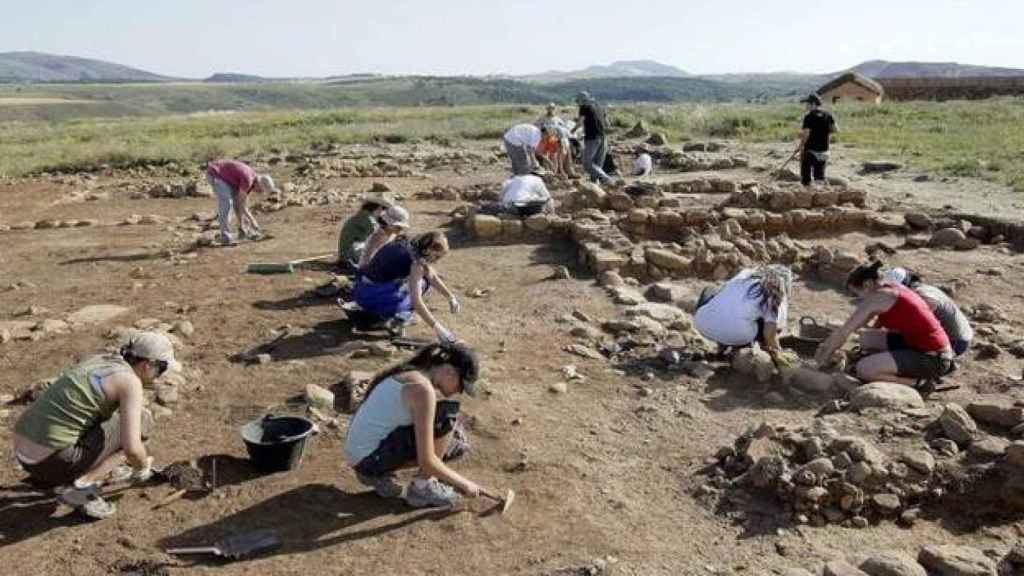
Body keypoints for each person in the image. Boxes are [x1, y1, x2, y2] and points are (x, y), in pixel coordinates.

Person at [12, 332, 178, 519]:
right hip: (52, 462)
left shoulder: (102, 360)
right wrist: (141, 468)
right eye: (161, 369)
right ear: (148, 365)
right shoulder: (129, 382)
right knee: (142, 423)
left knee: (114, 419)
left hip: (24, 454)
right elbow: (132, 448)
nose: (160, 376)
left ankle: (93, 470)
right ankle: (81, 488)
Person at [344, 342, 481, 508]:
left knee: (455, 442)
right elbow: (427, 461)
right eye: (461, 386)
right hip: (368, 460)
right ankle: (422, 488)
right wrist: (464, 484)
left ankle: (377, 474)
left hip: (360, 455)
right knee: (447, 417)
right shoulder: (422, 390)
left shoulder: (411, 373)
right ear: (450, 371)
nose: (459, 392)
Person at [815, 261, 955, 392]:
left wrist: (821, 360)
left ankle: (919, 383)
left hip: (933, 358)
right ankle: (889, 364)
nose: (857, 298)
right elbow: (857, 327)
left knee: (864, 370)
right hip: (923, 345)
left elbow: (844, 332)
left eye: (856, 293)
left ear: (867, 284)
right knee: (866, 338)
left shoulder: (879, 297)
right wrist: (834, 342)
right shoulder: (890, 288)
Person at [353, 231, 461, 342]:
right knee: (422, 283)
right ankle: (400, 317)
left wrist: (450, 297)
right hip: (370, 297)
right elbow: (417, 301)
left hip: (360, 289)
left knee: (420, 279)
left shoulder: (410, 243)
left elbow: (431, 275)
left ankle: (384, 311)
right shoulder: (417, 264)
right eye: (437, 257)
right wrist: (439, 329)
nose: (437, 261)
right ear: (428, 250)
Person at [694, 265, 793, 363]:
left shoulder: (745, 274)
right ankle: (740, 348)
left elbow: (725, 299)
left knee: (711, 291)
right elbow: (770, 334)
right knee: (770, 324)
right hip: (738, 335)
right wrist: (780, 355)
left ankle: (721, 347)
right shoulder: (776, 292)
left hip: (702, 324)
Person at [885, 267, 973, 357]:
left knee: (895, 347)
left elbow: (915, 327)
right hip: (960, 335)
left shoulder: (922, 297)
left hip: (956, 342)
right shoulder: (923, 288)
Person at [206, 159, 280, 245]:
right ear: (258, 184)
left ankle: (241, 229)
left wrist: (243, 224)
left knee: (235, 202)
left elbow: (241, 204)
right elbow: (241, 204)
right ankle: (225, 236)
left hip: (227, 179)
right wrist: (252, 221)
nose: (260, 192)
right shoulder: (248, 180)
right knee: (227, 204)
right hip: (215, 173)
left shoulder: (251, 182)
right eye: (261, 190)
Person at [793, 94, 837, 187]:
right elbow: (835, 130)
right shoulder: (828, 115)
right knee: (819, 176)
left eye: (807, 103)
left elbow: (806, 135)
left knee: (806, 176)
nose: (806, 106)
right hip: (824, 151)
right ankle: (820, 194)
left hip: (811, 151)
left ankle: (806, 192)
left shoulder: (808, 117)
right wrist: (823, 132)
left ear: (813, 104)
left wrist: (799, 147)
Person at [337, 197, 390, 271]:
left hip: (348, 252)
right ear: (379, 208)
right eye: (384, 209)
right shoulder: (367, 219)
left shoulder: (364, 215)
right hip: (350, 254)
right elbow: (380, 237)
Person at [574, 91, 614, 186]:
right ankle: (595, 184)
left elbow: (580, 123)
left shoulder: (584, 107)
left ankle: (606, 178)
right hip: (603, 137)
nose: (578, 103)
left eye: (578, 101)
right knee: (597, 163)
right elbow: (608, 123)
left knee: (587, 163)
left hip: (592, 138)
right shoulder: (599, 106)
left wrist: (571, 131)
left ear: (582, 100)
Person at [477, 174, 552, 217]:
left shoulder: (513, 180)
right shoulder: (537, 180)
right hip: (533, 210)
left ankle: (482, 207)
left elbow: (501, 196)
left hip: (515, 207)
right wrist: (552, 212)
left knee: (500, 207)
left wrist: (500, 201)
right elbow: (549, 198)